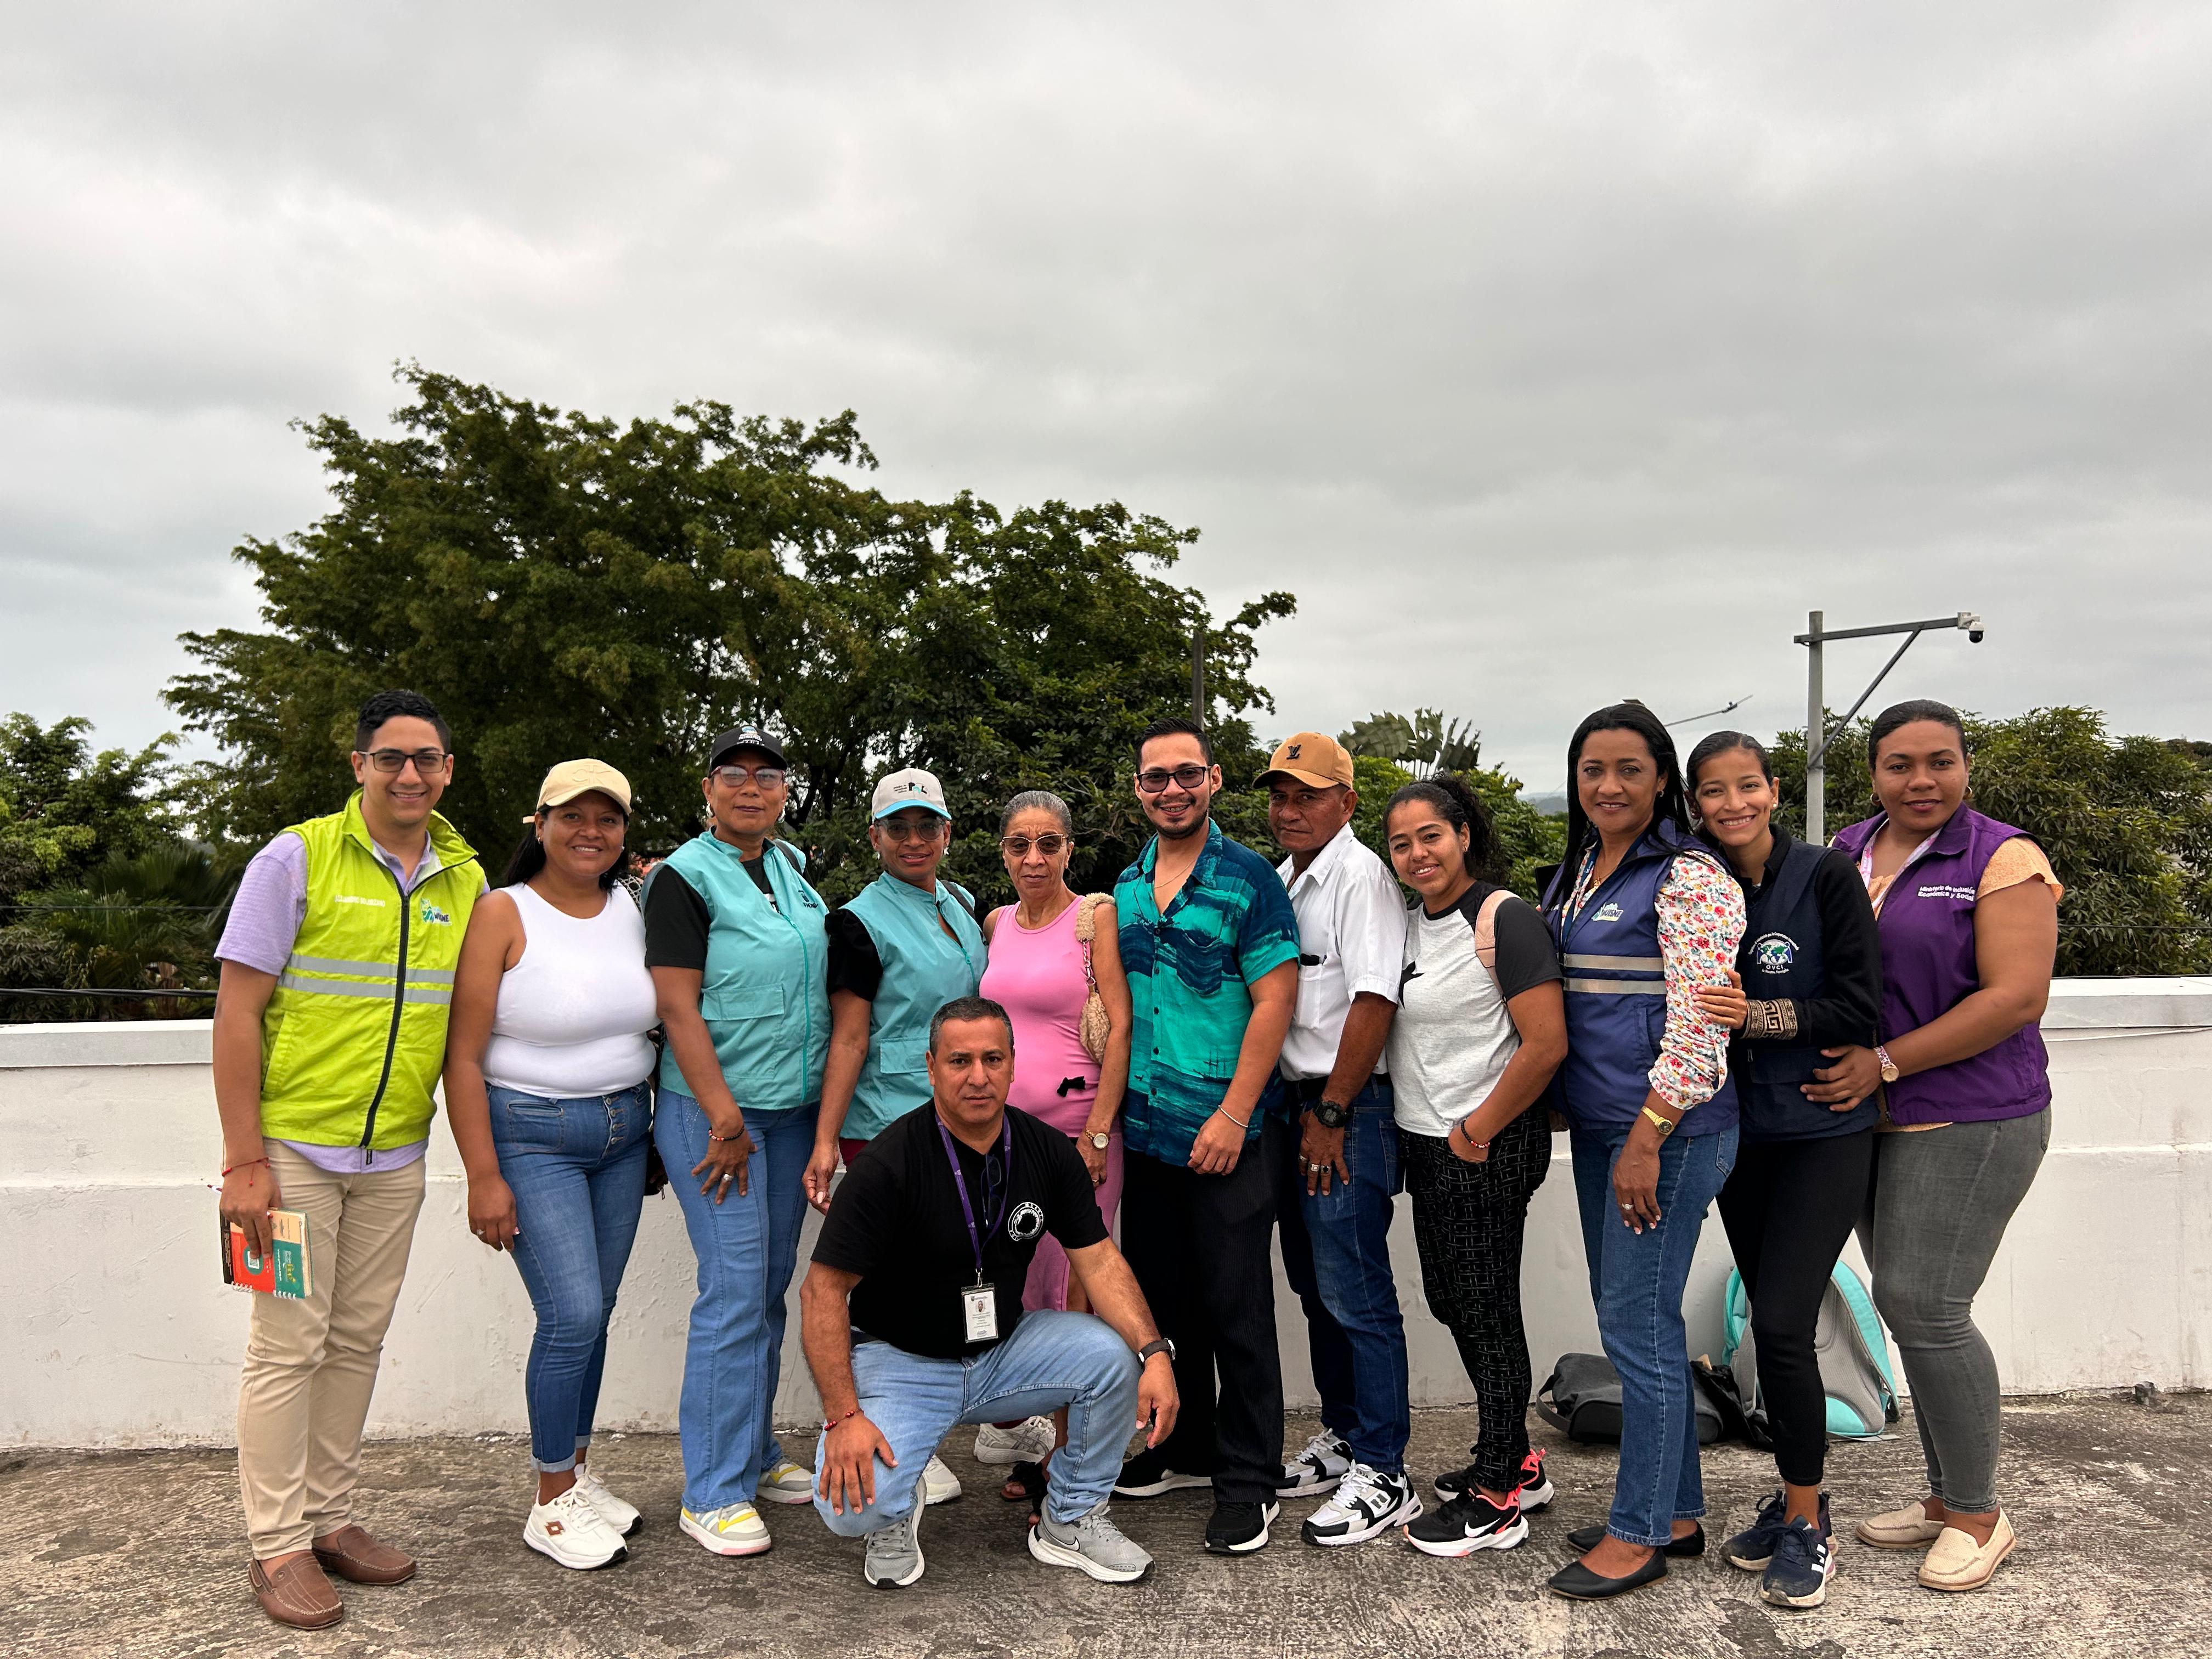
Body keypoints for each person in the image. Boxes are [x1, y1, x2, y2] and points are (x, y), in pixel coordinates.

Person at [212, 690, 484, 1629]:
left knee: (357, 1339)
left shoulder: (462, 877)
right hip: (290, 1153)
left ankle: (328, 1518)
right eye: (391, 757)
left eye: (427, 758)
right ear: (359, 764)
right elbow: (237, 1011)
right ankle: (276, 1543)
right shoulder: (296, 857)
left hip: (395, 1154)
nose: (410, 773)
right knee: (286, 1344)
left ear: (448, 770)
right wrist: (243, 1160)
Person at [801, 996, 1180, 1587]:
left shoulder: (1046, 1151)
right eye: (959, 1061)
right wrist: (843, 1417)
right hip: (903, 1361)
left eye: (992, 1059)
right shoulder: (887, 1164)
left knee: (1114, 1357)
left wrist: (1155, 1353)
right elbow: (821, 1293)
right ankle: (896, 1508)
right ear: (931, 1068)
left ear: (1012, 1065)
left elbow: (1101, 1261)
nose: (977, 1077)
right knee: (852, 1509)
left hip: (1003, 1352)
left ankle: (1070, 1518)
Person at [1829, 700, 2059, 1594]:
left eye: (1939, 761)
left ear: (1965, 766)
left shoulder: (2001, 857)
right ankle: (1942, 1496)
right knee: (1906, 1306)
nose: (1920, 780)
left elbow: (2015, 997)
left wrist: (1884, 1061)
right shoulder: (1847, 849)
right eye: (1899, 764)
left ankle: (1978, 1515)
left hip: (1971, 1112)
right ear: (1873, 772)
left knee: (1926, 1303)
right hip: (1870, 1116)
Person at [1537, 702, 1745, 1602]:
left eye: (1629, 768)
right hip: (1603, 1128)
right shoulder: (1582, 867)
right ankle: (1678, 1512)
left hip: (1666, 1134)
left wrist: (1647, 1138)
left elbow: (1700, 1027)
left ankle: (1637, 1533)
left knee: (1635, 1326)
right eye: (1593, 769)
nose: (1609, 785)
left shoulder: (1689, 876)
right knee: (1637, 1318)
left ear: (1662, 777)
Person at [1682, 732, 1884, 1609]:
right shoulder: (1696, 884)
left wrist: (1757, 1018)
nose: (1733, 804)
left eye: (1747, 786)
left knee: (1784, 1325)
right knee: (1771, 1329)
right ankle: (1795, 1499)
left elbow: (1860, 1006)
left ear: (1773, 789)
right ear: (1694, 803)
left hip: (1822, 1133)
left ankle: (1808, 1522)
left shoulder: (1824, 875)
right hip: (1739, 1136)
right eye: (1713, 791)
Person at [443, 760, 657, 1570]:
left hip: (623, 1134)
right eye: (572, 816)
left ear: (624, 833)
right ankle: (549, 1501)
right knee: (570, 1315)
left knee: (598, 1311)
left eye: (608, 819)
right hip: (531, 1136)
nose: (590, 832)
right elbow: (462, 1058)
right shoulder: (503, 912)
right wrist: (483, 1175)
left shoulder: (630, 907)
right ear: (540, 824)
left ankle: (576, 1473)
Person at [1108, 718, 1301, 1556]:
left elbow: (1276, 1000)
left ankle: (1250, 1477)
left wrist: (1232, 1114)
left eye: (1187, 773)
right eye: (1156, 777)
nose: (1172, 789)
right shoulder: (1125, 886)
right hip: (1148, 1134)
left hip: (1227, 1133)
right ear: (1139, 789)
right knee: (1168, 1301)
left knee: (1237, 1309)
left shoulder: (1248, 878)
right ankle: (1186, 1449)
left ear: (1214, 780)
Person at [640, 726, 833, 1557]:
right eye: (734, 774)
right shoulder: (682, 877)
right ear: (709, 789)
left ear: (785, 791)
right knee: (733, 1290)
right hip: (720, 1117)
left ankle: (753, 1455)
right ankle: (711, 1490)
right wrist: (723, 1118)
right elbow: (677, 1007)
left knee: (767, 1286)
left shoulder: (790, 868)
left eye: (768, 775)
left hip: (790, 1112)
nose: (751, 788)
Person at [1383, 776, 1571, 1561]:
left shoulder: (1502, 918)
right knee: (1453, 1299)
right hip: (1431, 1143)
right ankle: (1515, 1458)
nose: (1417, 854)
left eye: (1431, 836)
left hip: (1485, 1144)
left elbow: (1546, 1043)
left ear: (1464, 835)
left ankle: (1497, 1496)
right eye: (1401, 843)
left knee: (1486, 1310)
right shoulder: (1410, 926)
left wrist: (1477, 1130)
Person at [805, 764, 986, 1507]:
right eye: (898, 828)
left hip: (956, 1119)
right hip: (887, 1125)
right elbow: (850, 1038)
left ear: (947, 833)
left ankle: (929, 1429)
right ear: (875, 837)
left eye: (926, 826)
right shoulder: (857, 922)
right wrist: (826, 1140)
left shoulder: (962, 904)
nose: (914, 840)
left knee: (941, 1281)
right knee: (888, 1291)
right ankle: (890, 1435)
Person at [1259, 733, 1418, 1546]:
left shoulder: (1360, 878)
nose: (1290, 811)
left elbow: (1374, 1001)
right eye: (1281, 796)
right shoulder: (1286, 880)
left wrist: (1331, 1114)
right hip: (1297, 1109)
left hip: (1345, 1112)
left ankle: (1386, 1470)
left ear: (1347, 803)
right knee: (1316, 1288)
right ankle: (1346, 1434)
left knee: (1356, 1291)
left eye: (1308, 796)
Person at [973, 789, 1134, 1487]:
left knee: (1076, 1293)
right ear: (1003, 853)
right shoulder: (996, 923)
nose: (1033, 858)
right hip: (1008, 1142)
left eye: (1048, 843)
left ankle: (1072, 1463)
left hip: (1078, 1137)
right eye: (1019, 845)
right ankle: (1035, 1439)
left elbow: (1120, 1028)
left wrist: (1097, 1134)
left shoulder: (1095, 919)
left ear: (1069, 849)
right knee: (1021, 1289)